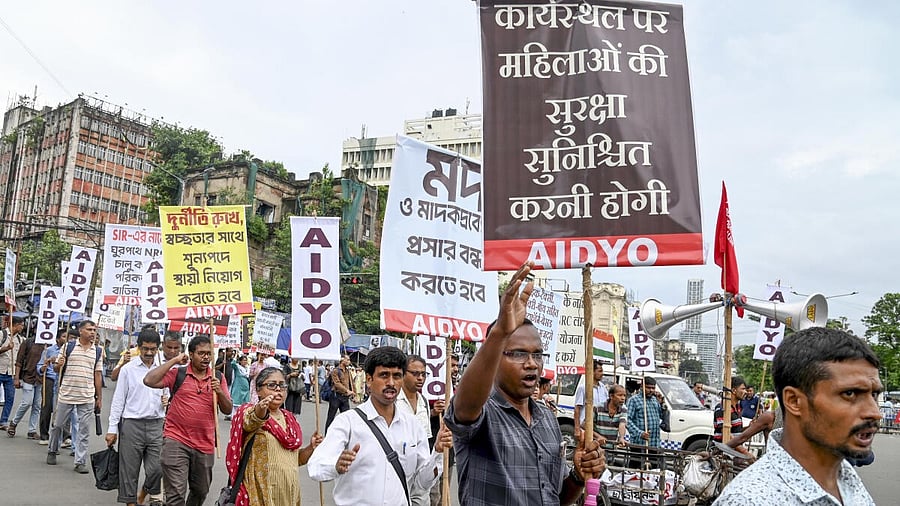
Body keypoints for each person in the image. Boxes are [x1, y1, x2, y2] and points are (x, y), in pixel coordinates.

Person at [445, 262, 605, 505]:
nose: (532, 364)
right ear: (494, 358)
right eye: (518, 354)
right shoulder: (483, 413)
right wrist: (500, 333)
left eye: (537, 354)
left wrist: (577, 477)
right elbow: (464, 406)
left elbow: (555, 498)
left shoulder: (548, 419)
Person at [714, 327, 880, 505]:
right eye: (850, 394)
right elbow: (742, 437)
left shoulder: (846, 478)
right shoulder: (749, 500)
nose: (874, 413)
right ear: (793, 401)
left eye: (875, 394)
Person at [308, 346, 453, 505]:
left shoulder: (413, 426)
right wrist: (335, 466)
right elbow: (316, 466)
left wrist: (438, 452)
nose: (391, 383)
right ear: (369, 379)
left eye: (397, 376)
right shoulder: (347, 422)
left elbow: (421, 484)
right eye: (384, 375)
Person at [143, 334, 233, 506]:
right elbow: (149, 380)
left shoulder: (218, 377)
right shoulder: (179, 373)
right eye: (201, 353)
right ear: (191, 354)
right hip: (176, 440)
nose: (206, 357)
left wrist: (219, 392)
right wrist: (175, 360)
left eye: (209, 353)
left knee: (200, 491)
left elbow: (227, 409)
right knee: (176, 494)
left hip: (204, 444)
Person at [225, 367, 322, 505]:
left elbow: (295, 460)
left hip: (288, 496)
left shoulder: (289, 419)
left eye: (282, 385)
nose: (278, 389)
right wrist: (261, 408)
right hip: (260, 497)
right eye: (271, 385)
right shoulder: (249, 411)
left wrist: (312, 447)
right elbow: (252, 420)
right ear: (258, 390)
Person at [105, 328, 167, 506]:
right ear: (138, 348)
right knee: (129, 471)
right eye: (145, 349)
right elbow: (118, 401)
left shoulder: (163, 369)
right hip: (132, 425)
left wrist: (166, 400)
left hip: (157, 424)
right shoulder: (128, 370)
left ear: (158, 349)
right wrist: (111, 429)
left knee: (157, 468)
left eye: (152, 349)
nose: (148, 353)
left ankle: (144, 493)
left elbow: (168, 393)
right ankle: (130, 502)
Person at [46, 320, 103, 474]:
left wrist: (99, 397)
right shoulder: (68, 347)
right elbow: (57, 369)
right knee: (58, 425)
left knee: (84, 430)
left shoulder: (97, 351)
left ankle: (80, 461)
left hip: (87, 396)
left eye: (94, 330)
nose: (92, 332)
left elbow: (98, 374)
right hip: (67, 394)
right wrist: (59, 364)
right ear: (81, 331)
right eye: (89, 329)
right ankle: (52, 450)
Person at [396, 354, 434, 506]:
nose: (420, 378)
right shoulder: (393, 401)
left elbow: (427, 437)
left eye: (424, 374)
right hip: (399, 471)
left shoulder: (423, 402)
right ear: (404, 374)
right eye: (415, 373)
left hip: (421, 473)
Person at [8, 327, 48, 438]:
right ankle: (14, 423)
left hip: (41, 379)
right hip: (28, 377)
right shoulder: (28, 342)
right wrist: (16, 377)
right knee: (27, 402)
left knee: (36, 406)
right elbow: (19, 361)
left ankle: (32, 430)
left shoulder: (49, 345)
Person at [37, 330, 68, 444]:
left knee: (63, 409)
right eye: (64, 337)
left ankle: (65, 436)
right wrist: (43, 367)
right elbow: (40, 366)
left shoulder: (69, 350)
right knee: (46, 407)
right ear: (57, 339)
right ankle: (44, 435)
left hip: (64, 381)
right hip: (50, 379)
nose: (66, 339)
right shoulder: (49, 350)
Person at [625, 376, 666, 448]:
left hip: (654, 444)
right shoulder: (634, 400)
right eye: (648, 388)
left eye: (653, 388)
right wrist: (640, 433)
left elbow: (662, 416)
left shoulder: (655, 400)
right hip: (639, 443)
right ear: (642, 387)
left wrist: (662, 403)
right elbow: (627, 420)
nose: (651, 390)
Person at [0, 316, 25, 430]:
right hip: (0, 370)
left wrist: (17, 376)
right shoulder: (2, 334)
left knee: (10, 398)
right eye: (22, 325)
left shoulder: (20, 339)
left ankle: (3, 421)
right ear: (15, 325)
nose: (22, 327)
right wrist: (5, 348)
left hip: (11, 373)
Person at [574, 360, 609, 442]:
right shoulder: (583, 388)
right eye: (599, 371)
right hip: (585, 427)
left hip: (599, 428)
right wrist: (577, 428)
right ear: (592, 372)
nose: (602, 374)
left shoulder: (603, 388)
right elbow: (577, 409)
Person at [591, 384, 627, 450]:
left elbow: (622, 425)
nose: (623, 398)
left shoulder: (623, 409)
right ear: (611, 396)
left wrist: (621, 438)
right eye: (620, 395)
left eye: (624, 395)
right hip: (596, 447)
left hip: (612, 448)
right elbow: (585, 426)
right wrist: (598, 436)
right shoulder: (598, 408)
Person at [324, 354, 353, 433]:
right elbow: (337, 383)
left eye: (349, 360)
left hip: (345, 398)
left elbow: (351, 383)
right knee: (331, 417)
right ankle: (327, 434)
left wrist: (353, 392)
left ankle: (346, 435)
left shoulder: (348, 371)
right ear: (342, 360)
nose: (348, 362)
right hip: (336, 396)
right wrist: (347, 390)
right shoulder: (335, 371)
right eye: (347, 360)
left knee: (347, 418)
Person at [714, 376, 747, 443]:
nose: (745, 392)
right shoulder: (721, 408)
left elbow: (737, 432)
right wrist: (743, 451)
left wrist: (750, 427)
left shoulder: (737, 407)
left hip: (734, 449)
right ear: (734, 391)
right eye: (743, 389)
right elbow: (726, 433)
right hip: (723, 450)